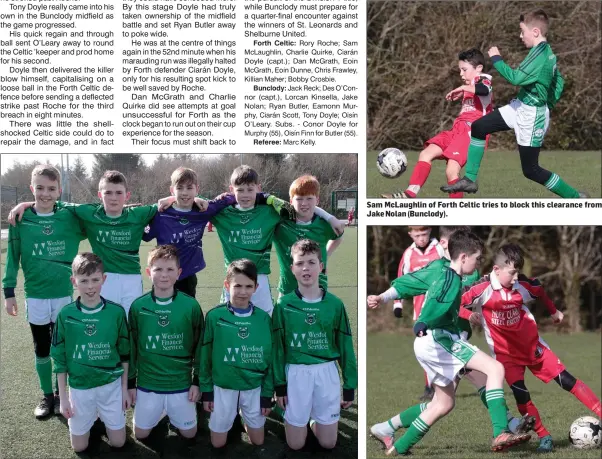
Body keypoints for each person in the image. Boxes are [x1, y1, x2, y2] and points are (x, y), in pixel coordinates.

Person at [368, 228, 531, 450]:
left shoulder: (439, 268)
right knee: (494, 369)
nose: (478, 263)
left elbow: (409, 281)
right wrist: (423, 322)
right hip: (440, 339)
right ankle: (502, 431)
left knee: (443, 403)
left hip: (432, 341)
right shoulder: (451, 278)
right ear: (463, 257)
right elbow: (437, 302)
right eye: (477, 259)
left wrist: (383, 296)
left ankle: (398, 445)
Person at [460, 243, 601, 452]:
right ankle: (544, 436)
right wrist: (469, 315)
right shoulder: (482, 289)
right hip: (506, 356)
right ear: (496, 270)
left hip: (533, 348)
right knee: (522, 397)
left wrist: (554, 312)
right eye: (512, 272)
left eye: (518, 272)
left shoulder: (522, 285)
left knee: (566, 380)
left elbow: (539, 291)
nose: (516, 278)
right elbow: (456, 304)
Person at [441, 10, 587, 198]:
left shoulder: (541, 54)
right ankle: (469, 179)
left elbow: (515, 78)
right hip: (520, 106)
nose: (520, 36)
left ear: (535, 32)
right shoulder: (545, 52)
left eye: (522, 31)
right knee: (479, 126)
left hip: (532, 115)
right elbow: (559, 82)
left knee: (531, 170)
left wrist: (496, 59)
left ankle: (576, 198)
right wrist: (548, 101)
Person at [8, 170, 166, 316]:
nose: (113, 197)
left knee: (130, 324)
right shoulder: (89, 212)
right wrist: (25, 204)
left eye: (119, 193)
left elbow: (162, 206)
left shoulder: (138, 214)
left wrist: (171, 198)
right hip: (104, 278)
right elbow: (53, 202)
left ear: (127, 195)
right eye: (108, 192)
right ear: (99, 195)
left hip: (132, 278)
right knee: (106, 323)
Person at [3, 164, 85, 418]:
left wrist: (26, 202)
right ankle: (47, 396)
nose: (45, 194)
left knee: (62, 348)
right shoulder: (21, 220)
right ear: (31, 188)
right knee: (41, 348)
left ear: (60, 191)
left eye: (51, 189)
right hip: (36, 295)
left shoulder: (69, 217)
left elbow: (94, 211)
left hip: (63, 294)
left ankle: (62, 395)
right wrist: (8, 292)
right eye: (39, 188)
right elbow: (12, 258)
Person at [210, 166, 341, 316]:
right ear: (232, 189)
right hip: (233, 279)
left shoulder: (270, 211)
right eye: (240, 190)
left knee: (266, 320)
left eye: (250, 189)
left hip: (260, 278)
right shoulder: (222, 213)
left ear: (258, 189)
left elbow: (297, 207)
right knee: (227, 321)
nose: (245, 194)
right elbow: (197, 208)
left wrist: (330, 218)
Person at [273, 239, 357, 451]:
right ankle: (295, 413)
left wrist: (349, 385)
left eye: (311, 262)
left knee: (328, 444)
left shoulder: (335, 304)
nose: (305, 268)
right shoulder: (284, 305)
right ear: (292, 268)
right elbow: (278, 348)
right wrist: (279, 385)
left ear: (321, 266)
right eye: (300, 263)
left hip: (326, 372)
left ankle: (313, 416)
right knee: (296, 444)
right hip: (295, 374)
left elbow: (346, 346)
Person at [382, 48, 493, 199]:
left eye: (464, 69)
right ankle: (409, 195)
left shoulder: (483, 78)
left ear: (478, 68)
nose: (461, 74)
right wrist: (464, 91)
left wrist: (463, 88)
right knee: (426, 154)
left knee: (451, 170)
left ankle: (456, 217)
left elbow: (484, 89)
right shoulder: (470, 86)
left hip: (473, 132)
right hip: (457, 131)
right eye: (460, 70)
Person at [51, 253, 130, 452]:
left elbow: (125, 354)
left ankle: (103, 417)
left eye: (95, 280)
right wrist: (64, 398)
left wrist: (124, 389)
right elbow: (59, 359)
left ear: (104, 279)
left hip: (110, 387)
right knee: (79, 448)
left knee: (119, 443)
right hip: (80, 389)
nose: (90, 286)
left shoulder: (116, 312)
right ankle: (93, 418)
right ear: (74, 282)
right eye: (83, 281)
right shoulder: (66, 314)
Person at [127, 245, 203, 441]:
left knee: (190, 434)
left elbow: (200, 347)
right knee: (141, 435)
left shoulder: (191, 306)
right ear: (148, 272)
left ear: (179, 273)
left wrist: (196, 382)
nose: (164, 275)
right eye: (158, 269)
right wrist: (130, 384)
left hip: (181, 384)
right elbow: (132, 348)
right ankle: (160, 412)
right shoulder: (138, 307)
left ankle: (172, 411)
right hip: (147, 384)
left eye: (170, 269)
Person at [199, 259, 273, 448]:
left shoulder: (264, 319)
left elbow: (270, 360)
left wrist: (266, 394)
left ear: (256, 287)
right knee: (217, 444)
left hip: (253, 387)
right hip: (223, 388)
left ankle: (243, 414)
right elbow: (205, 356)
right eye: (237, 285)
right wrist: (207, 391)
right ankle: (231, 415)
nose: (243, 291)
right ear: (227, 285)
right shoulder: (215, 317)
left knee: (258, 441)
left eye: (248, 286)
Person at [143, 167, 234, 297]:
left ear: (197, 189)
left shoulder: (203, 210)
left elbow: (230, 198)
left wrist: (199, 199)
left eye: (189, 188)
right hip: (163, 276)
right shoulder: (161, 214)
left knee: (187, 314)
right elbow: (145, 235)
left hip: (188, 276)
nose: (185, 192)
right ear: (172, 190)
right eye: (179, 188)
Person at [392, 226, 445, 400]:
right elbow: (401, 279)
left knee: (447, 345)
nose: (421, 238)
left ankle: (448, 382)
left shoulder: (440, 249)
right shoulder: (408, 254)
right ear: (410, 235)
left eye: (424, 234)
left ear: (430, 231)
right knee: (426, 349)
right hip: (421, 311)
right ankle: (429, 387)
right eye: (417, 235)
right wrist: (397, 303)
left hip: (442, 308)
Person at [273, 175, 344, 298]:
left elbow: (338, 237)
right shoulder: (280, 223)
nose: (304, 203)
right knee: (282, 317)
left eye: (309, 198)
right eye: (299, 199)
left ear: (317, 200)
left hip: (317, 288)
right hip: (288, 288)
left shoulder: (324, 225)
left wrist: (326, 255)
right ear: (291, 201)